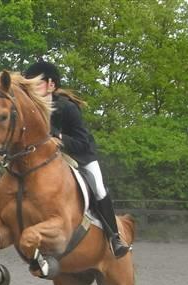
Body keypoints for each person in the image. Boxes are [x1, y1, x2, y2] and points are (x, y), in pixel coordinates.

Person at [24, 60, 131, 258]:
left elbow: (82, 141)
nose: (32, 87)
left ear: (51, 85)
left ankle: (114, 237)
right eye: (29, 84)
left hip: (80, 156)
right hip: (50, 160)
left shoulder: (68, 108)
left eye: (37, 83)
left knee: (98, 188)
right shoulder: (32, 110)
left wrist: (60, 138)